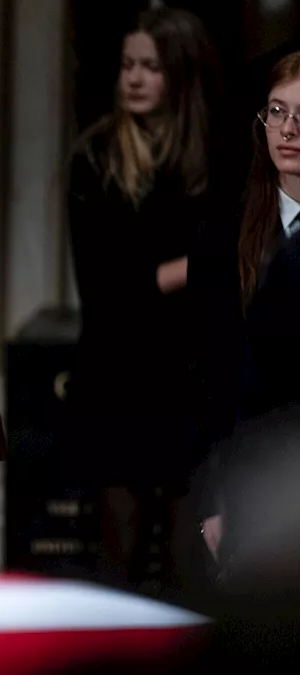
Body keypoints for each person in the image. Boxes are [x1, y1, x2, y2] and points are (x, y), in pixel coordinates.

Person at [65, 8, 220, 597]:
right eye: (128, 65)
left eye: (151, 68)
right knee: (118, 565)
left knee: (192, 563)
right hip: (117, 377)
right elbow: (107, 292)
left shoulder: (218, 160)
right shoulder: (96, 158)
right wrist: (198, 269)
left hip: (193, 379)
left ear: (181, 76)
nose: (134, 78)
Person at [193, 51, 301, 585]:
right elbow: (208, 375)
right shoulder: (223, 235)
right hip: (252, 476)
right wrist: (214, 497)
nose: (289, 130)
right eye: (277, 112)